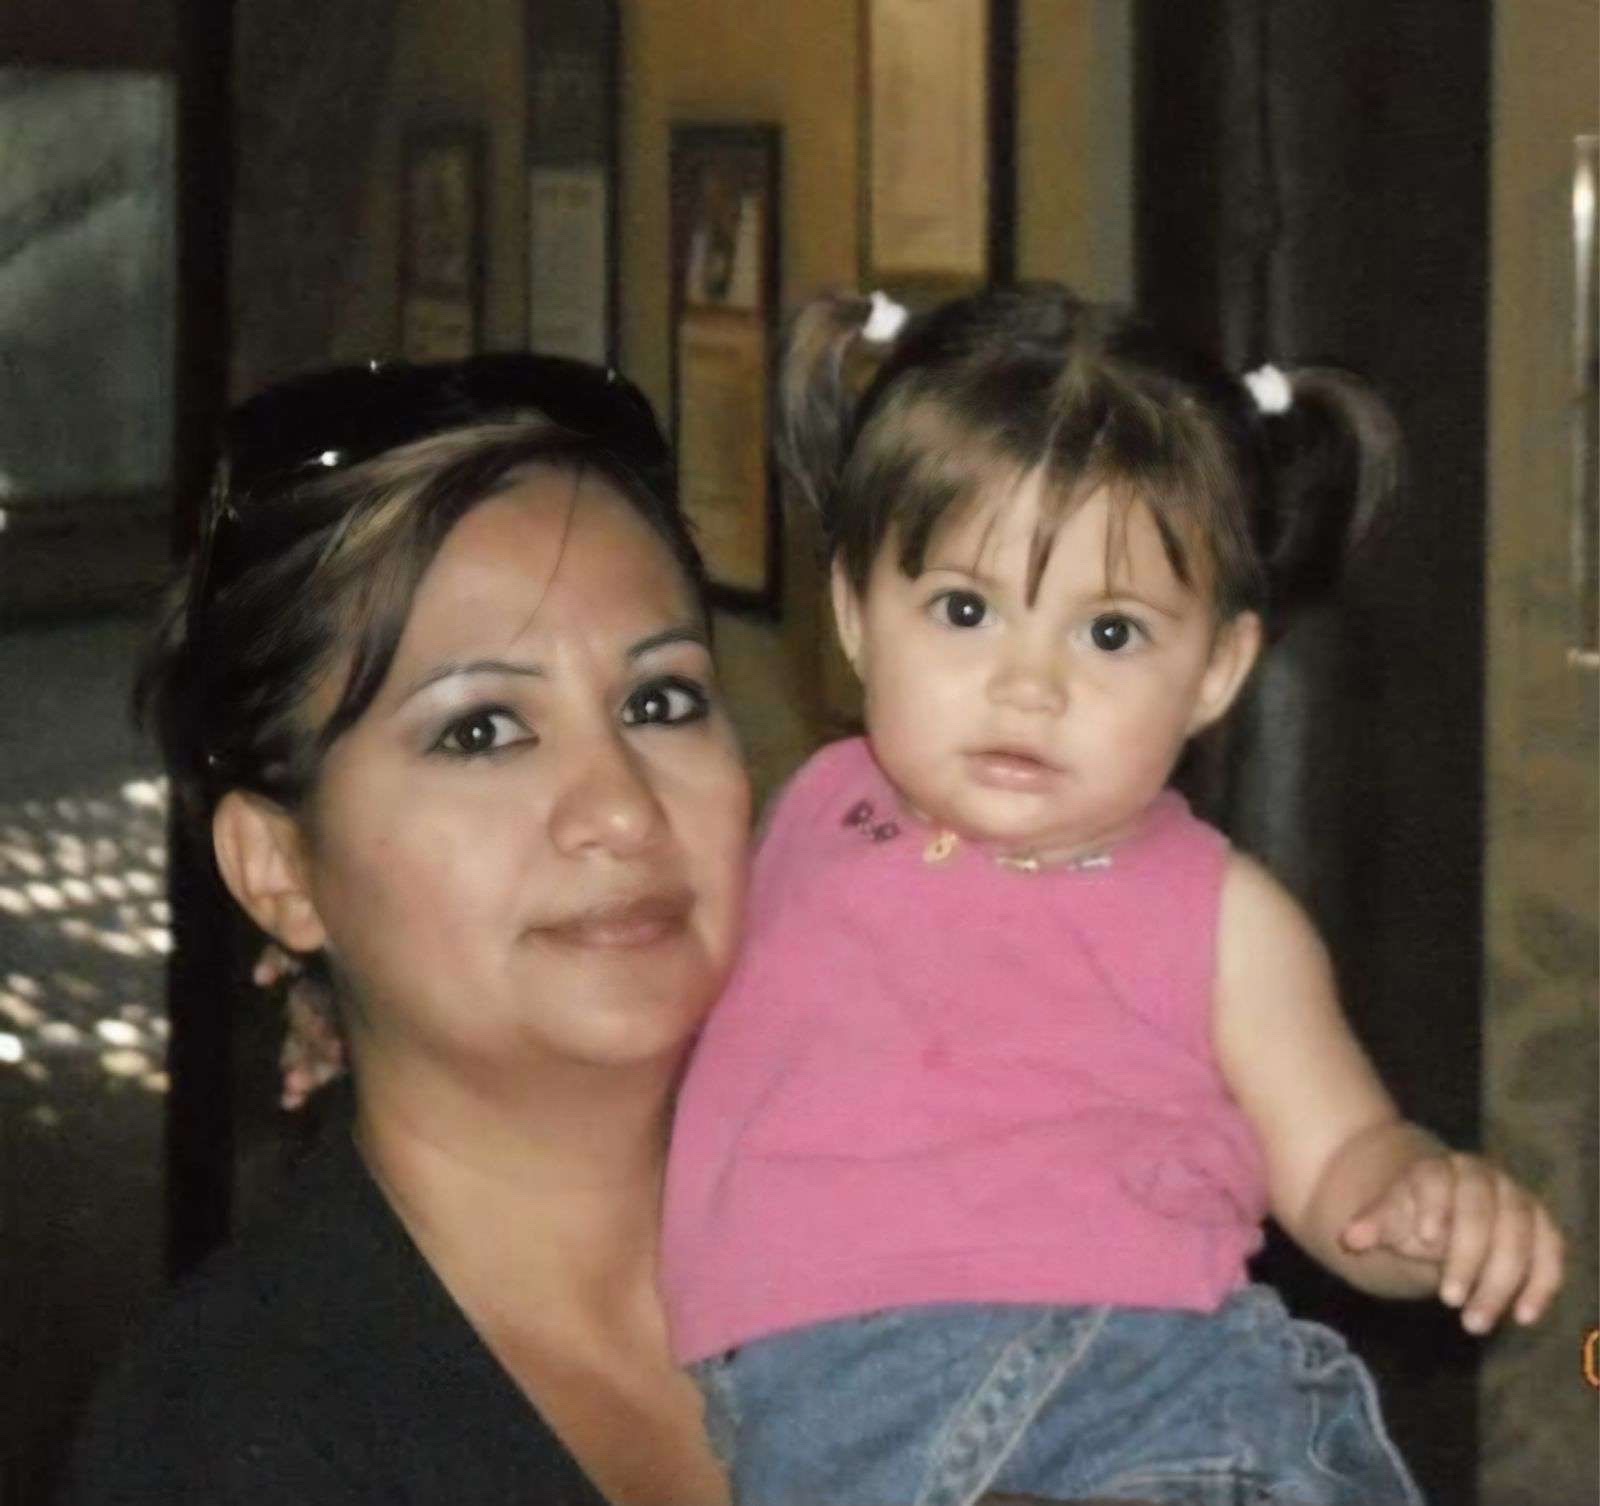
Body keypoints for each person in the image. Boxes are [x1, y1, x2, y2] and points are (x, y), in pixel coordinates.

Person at [661, 285, 1565, 1506]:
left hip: (1123, 1386)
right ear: (856, 617)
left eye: (1110, 634)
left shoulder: (1220, 917)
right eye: (966, 610)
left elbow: (1339, 1157)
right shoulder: (810, 814)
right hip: (813, 1413)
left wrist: (1417, 1202)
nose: (1029, 686)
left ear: (1217, 670)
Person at [62, 355, 751, 1505]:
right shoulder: (225, 1443)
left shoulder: (939, 1228)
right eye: (480, 731)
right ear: (281, 868)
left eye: (659, 701)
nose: (623, 809)